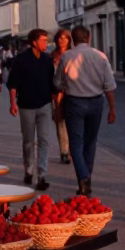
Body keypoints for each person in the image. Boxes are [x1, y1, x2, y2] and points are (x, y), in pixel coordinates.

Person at [53, 25, 116, 196]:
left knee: (76, 142)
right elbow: (109, 86)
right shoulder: (100, 56)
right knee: (90, 141)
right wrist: (112, 109)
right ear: (89, 38)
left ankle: (83, 178)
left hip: (74, 102)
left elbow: (57, 83)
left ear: (73, 40)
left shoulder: (66, 56)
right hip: (96, 102)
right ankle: (87, 176)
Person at [7, 28, 54, 190]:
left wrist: (56, 104)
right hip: (26, 105)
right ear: (34, 42)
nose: (46, 43)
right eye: (43, 40)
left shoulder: (47, 60)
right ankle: (29, 170)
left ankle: (41, 175)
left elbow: (52, 84)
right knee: (28, 141)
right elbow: (13, 83)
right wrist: (12, 103)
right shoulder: (21, 60)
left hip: (45, 105)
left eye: (46, 40)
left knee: (44, 140)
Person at [50, 28, 72, 164]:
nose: (62, 40)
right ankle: (64, 151)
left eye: (65, 38)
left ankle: (73, 149)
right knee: (60, 123)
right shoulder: (52, 56)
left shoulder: (73, 55)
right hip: (56, 95)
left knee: (73, 123)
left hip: (72, 93)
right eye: (60, 37)